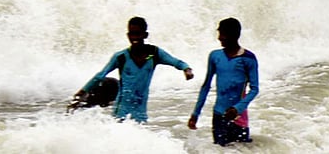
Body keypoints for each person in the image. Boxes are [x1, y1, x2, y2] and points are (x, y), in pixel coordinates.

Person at [75, 16, 194, 123]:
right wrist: (82, 92)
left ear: (145, 35)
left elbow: (176, 62)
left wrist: (186, 69)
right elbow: (100, 76)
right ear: (128, 35)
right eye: (131, 34)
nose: (134, 38)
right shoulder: (121, 57)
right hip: (121, 112)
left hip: (140, 113)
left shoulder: (153, 54)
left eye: (138, 34)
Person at [188, 17, 259, 146]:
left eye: (223, 34)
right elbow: (206, 86)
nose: (219, 38)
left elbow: (254, 89)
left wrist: (237, 108)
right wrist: (195, 114)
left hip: (238, 118)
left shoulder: (248, 58)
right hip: (219, 116)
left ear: (234, 35)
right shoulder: (215, 56)